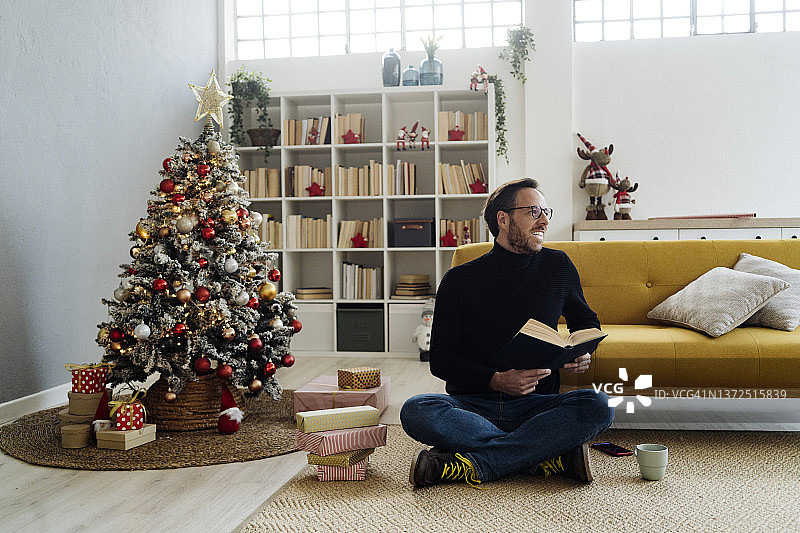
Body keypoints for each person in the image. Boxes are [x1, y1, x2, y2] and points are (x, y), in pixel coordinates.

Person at [400, 178, 615, 488]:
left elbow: (586, 322)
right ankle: (541, 455)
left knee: (600, 405)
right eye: (533, 211)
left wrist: (583, 351)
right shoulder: (459, 280)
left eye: (545, 211)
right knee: (416, 410)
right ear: (503, 219)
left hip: (536, 405)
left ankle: (480, 462)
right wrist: (496, 380)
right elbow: (441, 360)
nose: (543, 220)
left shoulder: (559, 266)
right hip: (473, 406)